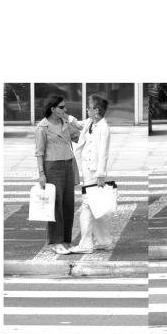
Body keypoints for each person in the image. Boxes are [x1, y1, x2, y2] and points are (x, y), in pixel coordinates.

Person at [34, 95, 80, 255]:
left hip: (68, 165)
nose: (64, 110)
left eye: (65, 107)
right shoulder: (42, 127)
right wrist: (41, 174)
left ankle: (67, 241)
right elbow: (39, 152)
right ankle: (56, 242)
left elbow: (80, 137)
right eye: (61, 107)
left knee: (68, 204)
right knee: (56, 205)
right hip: (52, 167)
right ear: (52, 109)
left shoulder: (65, 123)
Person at [68, 94, 112, 254]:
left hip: (95, 172)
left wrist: (101, 175)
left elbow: (103, 153)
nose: (87, 109)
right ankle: (104, 241)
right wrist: (65, 116)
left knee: (87, 205)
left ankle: (86, 244)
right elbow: (77, 124)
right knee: (95, 206)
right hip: (86, 169)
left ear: (96, 110)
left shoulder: (104, 128)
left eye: (89, 107)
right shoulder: (89, 123)